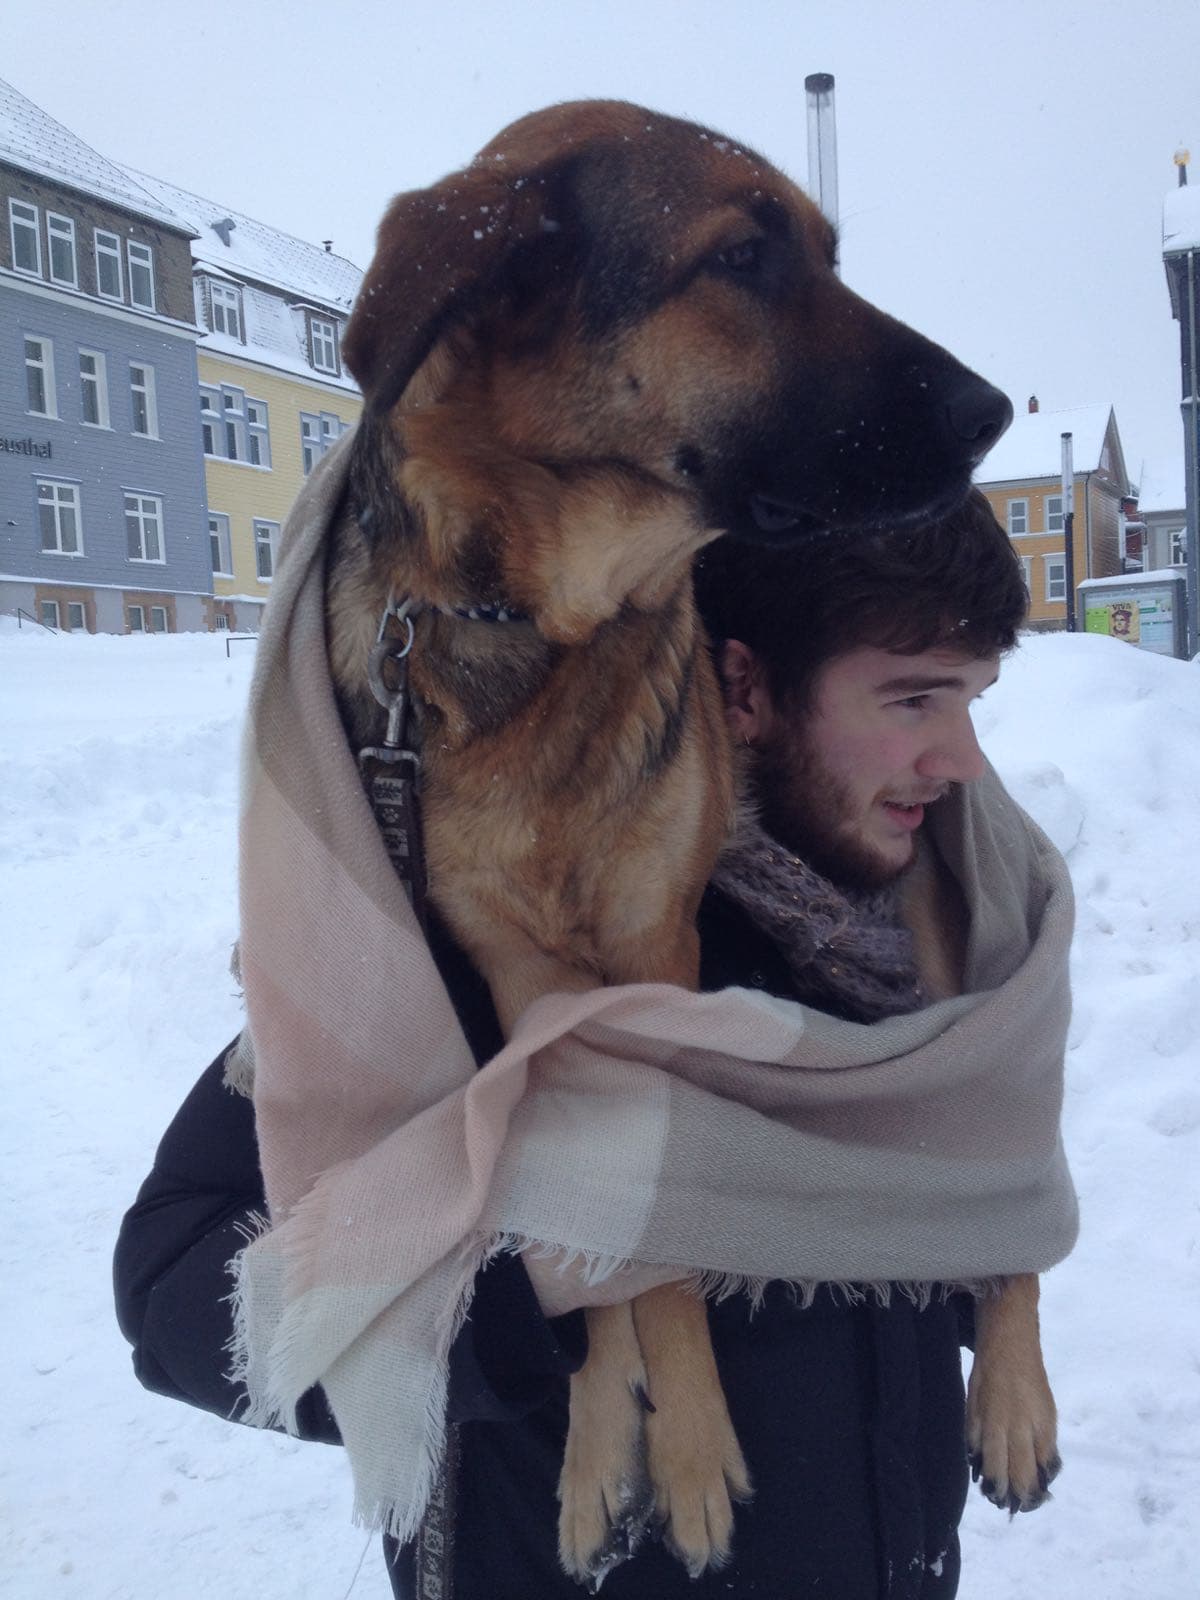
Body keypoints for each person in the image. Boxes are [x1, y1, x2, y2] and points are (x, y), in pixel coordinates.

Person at [114, 489, 1034, 1599]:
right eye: (915, 698)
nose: (963, 759)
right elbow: (170, 1285)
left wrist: (978, 1248)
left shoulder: (919, 955)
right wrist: (528, 1282)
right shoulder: (503, 927)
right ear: (744, 690)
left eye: (975, 699)